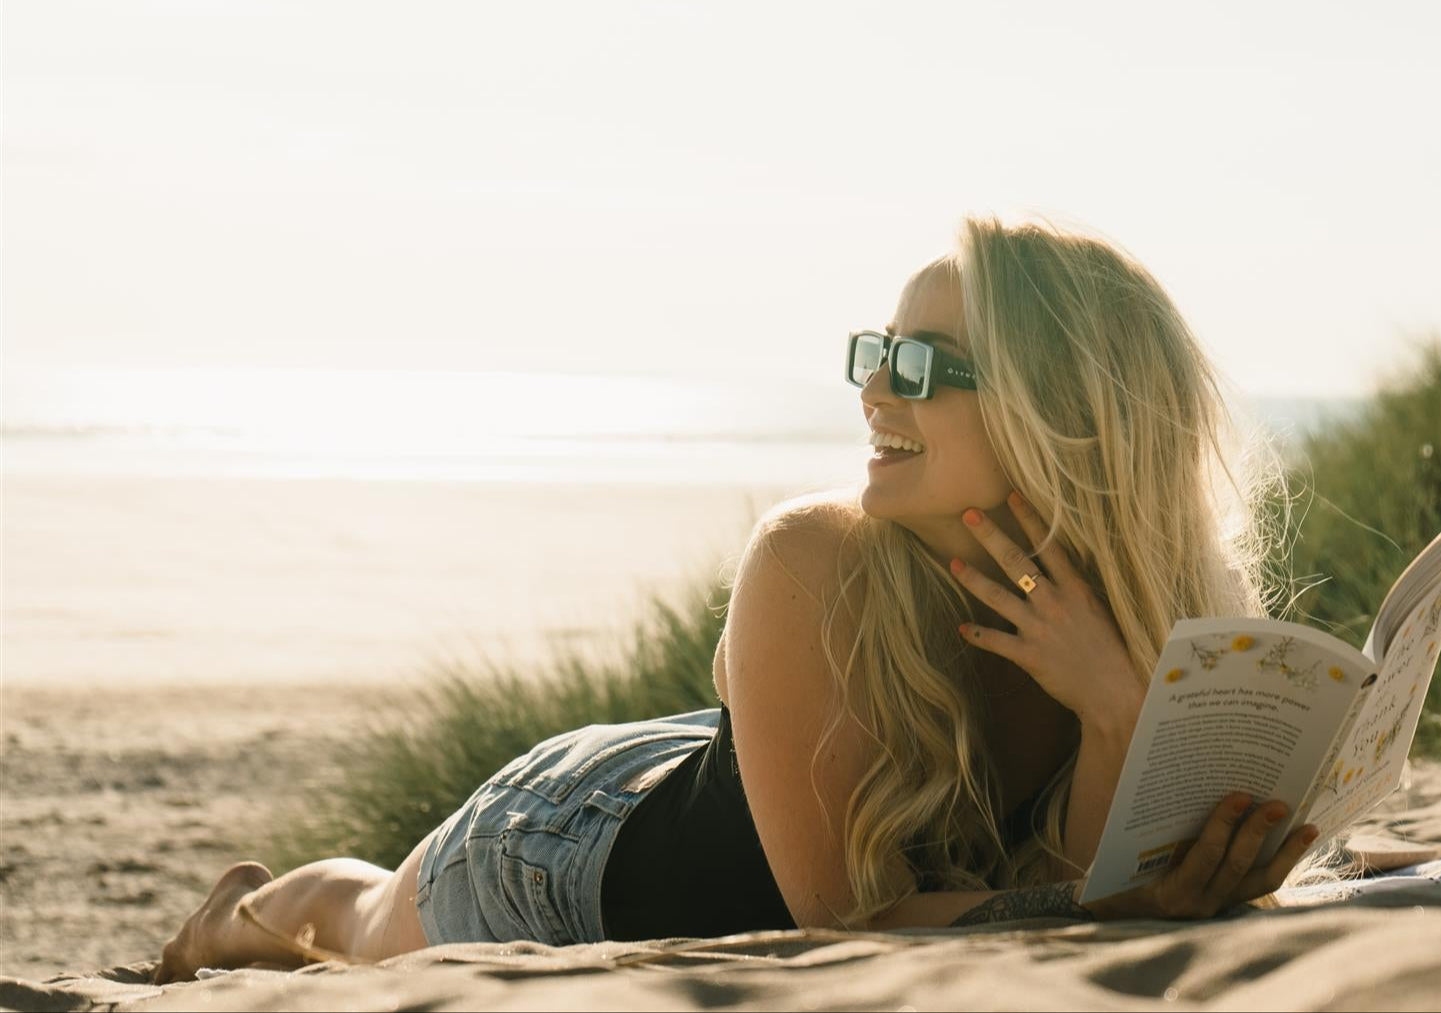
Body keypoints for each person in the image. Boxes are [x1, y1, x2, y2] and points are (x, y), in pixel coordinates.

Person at [153, 214, 1323, 983]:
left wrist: (1119, 718)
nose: (873, 387)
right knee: (360, 923)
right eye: (874, 350)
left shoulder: (1145, 610)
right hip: (570, 852)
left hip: (749, 770)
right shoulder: (810, 563)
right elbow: (847, 926)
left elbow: (1072, 887)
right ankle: (228, 917)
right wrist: (1111, 898)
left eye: (919, 366)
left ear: (1057, 409)